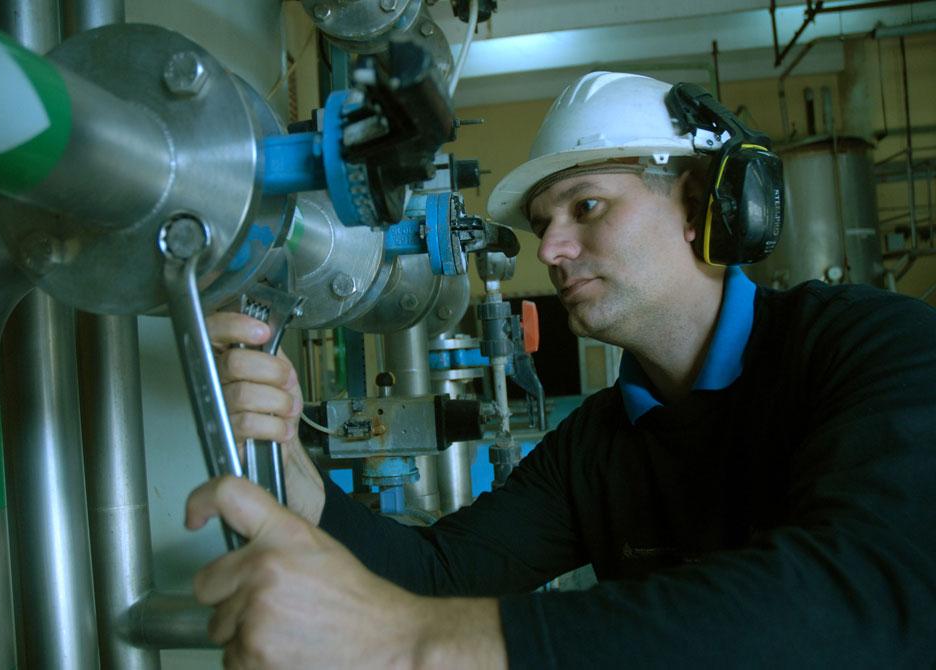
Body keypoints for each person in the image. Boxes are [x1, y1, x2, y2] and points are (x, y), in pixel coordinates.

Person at [190, 72, 936, 668]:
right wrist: (294, 465)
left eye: (586, 205)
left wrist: (420, 643)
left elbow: (871, 591)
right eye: (545, 222)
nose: (549, 251)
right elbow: (439, 575)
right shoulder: (598, 447)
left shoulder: (872, 347)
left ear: (705, 204)